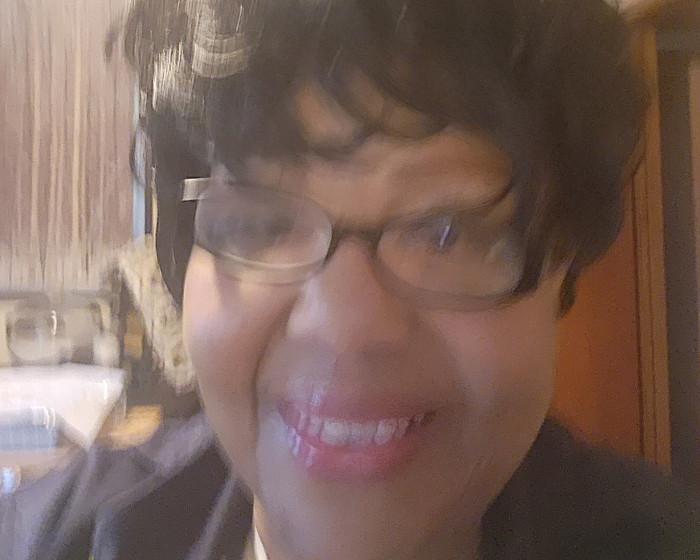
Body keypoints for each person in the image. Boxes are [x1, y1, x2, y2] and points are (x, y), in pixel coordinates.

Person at [2, 1, 699, 559]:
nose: (344, 328)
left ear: (563, 271)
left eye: (448, 233)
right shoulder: (48, 538)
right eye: (261, 224)